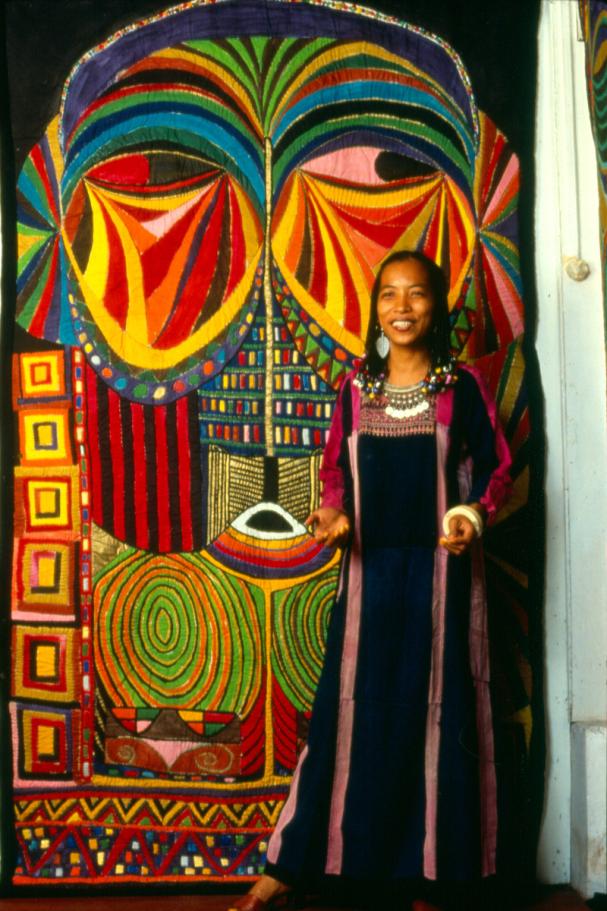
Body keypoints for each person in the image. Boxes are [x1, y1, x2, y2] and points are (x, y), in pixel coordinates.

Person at [227, 250, 512, 911]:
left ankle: (436, 877)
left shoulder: (462, 388)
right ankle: (291, 868)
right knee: (349, 715)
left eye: (416, 293)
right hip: (367, 579)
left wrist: (471, 514)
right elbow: (335, 474)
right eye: (389, 294)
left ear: (437, 306)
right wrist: (333, 515)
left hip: (441, 578)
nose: (401, 307)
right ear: (376, 307)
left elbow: (498, 468)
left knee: (437, 716)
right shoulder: (354, 392)